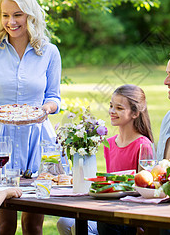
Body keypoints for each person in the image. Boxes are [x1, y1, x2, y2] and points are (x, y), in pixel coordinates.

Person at [0, 0, 62, 235]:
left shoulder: (49, 52)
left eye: (17, 15)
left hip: (38, 139)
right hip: (0, 142)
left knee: (33, 223)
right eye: (5, 15)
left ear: (30, 15)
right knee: (3, 224)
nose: (11, 22)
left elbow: (54, 97)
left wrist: (46, 108)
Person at [57, 84, 154, 235]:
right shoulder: (109, 143)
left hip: (129, 214)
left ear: (135, 113)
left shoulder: (143, 145)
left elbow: (145, 190)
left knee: (85, 227)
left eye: (119, 108)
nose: (112, 111)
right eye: (111, 106)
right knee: (65, 223)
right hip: (107, 208)